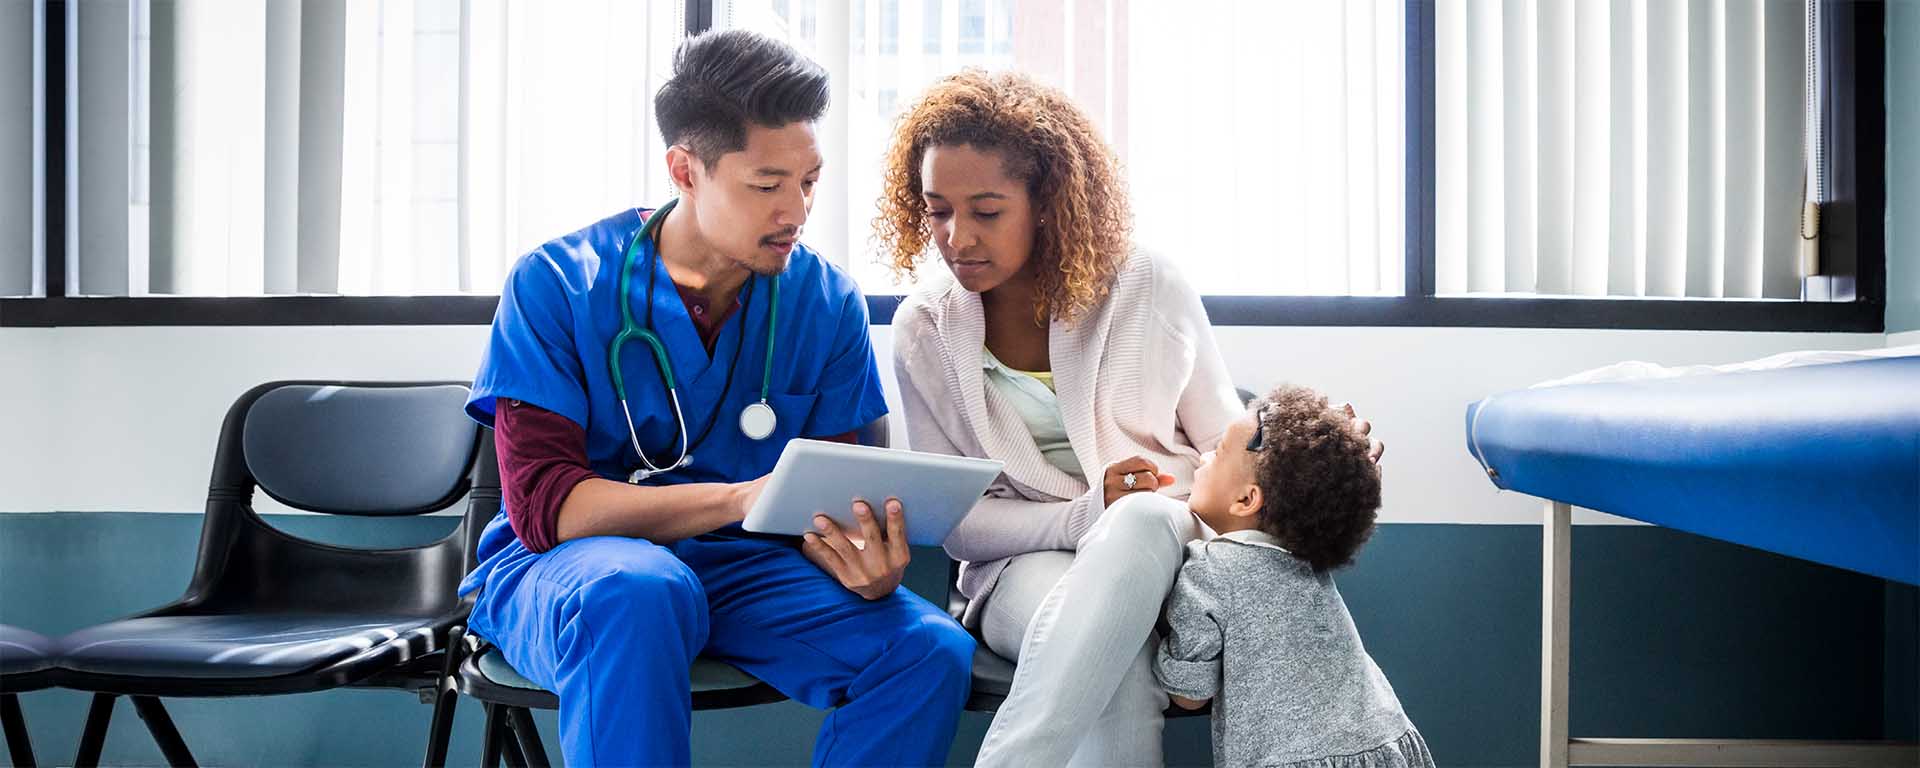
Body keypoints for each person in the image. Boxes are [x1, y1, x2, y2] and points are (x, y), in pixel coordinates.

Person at [458, 29, 973, 768]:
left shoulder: (824, 301)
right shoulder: (557, 283)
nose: (796, 209)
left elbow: (840, 489)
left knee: (927, 649)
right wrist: (739, 500)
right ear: (685, 170)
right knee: (641, 591)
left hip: (746, 569)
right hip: (573, 571)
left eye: (809, 181)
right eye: (766, 185)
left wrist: (867, 559)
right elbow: (547, 509)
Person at [878, 69, 1386, 767]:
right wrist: (1090, 513)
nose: (955, 237)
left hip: (1173, 554)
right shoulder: (923, 330)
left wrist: (1323, 456)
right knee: (1110, 656)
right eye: (937, 210)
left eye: (986, 211)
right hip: (1017, 572)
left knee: (1142, 519)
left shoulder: (1148, 286)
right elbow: (960, 524)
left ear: (1047, 203)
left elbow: (1225, 443)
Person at [1157, 385, 1434, 768]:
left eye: (1216, 453)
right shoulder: (1307, 562)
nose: (1201, 458)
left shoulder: (1211, 567)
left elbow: (1190, 694)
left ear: (1246, 500)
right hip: (1385, 744)